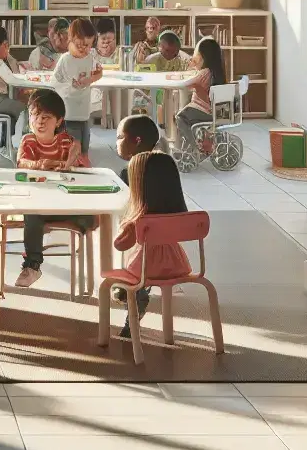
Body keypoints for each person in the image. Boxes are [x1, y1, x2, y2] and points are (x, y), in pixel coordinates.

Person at [13, 90, 93, 289]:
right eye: (34, 115)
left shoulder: (66, 141)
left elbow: (85, 168)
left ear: (58, 121)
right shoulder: (29, 141)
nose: (39, 121)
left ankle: (84, 250)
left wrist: (76, 160)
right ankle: (32, 265)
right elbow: (22, 163)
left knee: (93, 215)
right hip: (39, 206)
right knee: (31, 214)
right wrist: (39, 164)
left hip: (63, 204)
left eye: (46, 117)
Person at [111, 150, 192, 339]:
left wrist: (124, 227)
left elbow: (120, 245)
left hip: (144, 269)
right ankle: (132, 295)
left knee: (132, 276)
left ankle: (131, 317)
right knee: (139, 277)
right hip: (177, 266)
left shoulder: (140, 220)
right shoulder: (182, 217)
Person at [51, 18, 106, 152]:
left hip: (84, 112)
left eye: (87, 45)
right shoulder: (65, 59)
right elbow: (54, 83)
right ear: (70, 39)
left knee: (84, 148)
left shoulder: (90, 58)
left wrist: (92, 78)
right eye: (79, 45)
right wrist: (69, 85)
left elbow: (98, 74)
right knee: (71, 149)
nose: (84, 49)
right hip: (68, 113)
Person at [173, 37, 228, 161]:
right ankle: (192, 145)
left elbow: (186, 84)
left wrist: (189, 68)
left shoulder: (204, 73)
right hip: (215, 111)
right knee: (185, 112)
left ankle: (193, 147)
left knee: (180, 118)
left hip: (202, 110)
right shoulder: (217, 72)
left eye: (197, 54)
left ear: (203, 56)